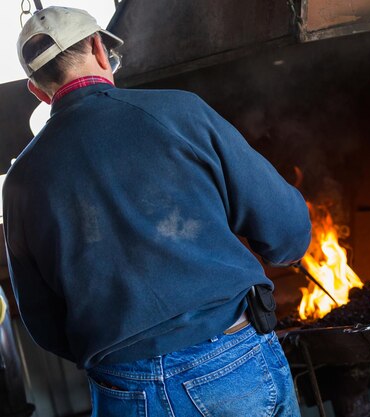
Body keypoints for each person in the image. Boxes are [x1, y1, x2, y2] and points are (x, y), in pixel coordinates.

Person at [4, 6, 311, 417]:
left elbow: (42, 322)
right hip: (230, 366)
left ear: (37, 90)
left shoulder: (21, 179)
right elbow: (287, 231)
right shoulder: (181, 112)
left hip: (121, 387)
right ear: (99, 47)